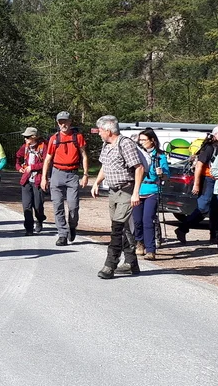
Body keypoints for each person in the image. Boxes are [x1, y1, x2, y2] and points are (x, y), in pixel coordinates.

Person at [90, 116, 144, 279]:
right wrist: (96, 183)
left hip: (126, 190)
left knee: (117, 228)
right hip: (113, 191)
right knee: (123, 228)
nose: (99, 133)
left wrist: (136, 192)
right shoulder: (106, 145)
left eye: (100, 130)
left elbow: (139, 168)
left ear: (108, 130)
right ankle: (131, 263)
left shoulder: (125, 144)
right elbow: (105, 167)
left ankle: (110, 265)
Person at [41, 111, 89, 246]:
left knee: (73, 206)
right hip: (57, 173)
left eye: (65, 121)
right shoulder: (54, 139)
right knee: (58, 205)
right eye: (60, 122)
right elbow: (48, 159)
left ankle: (72, 226)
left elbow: (84, 155)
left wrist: (85, 174)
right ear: (58, 123)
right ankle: (62, 234)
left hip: (72, 174)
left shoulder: (77, 137)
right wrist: (44, 178)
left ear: (70, 122)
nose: (63, 124)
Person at [176, 124, 218, 243]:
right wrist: (197, 184)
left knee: (216, 209)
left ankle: (213, 236)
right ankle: (182, 229)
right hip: (207, 180)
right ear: (216, 135)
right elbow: (199, 165)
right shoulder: (209, 147)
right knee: (202, 209)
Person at [132, 129, 167, 261]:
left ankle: (151, 250)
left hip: (152, 189)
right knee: (137, 220)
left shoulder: (160, 156)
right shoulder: (137, 154)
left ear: (152, 140)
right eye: (139, 140)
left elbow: (166, 176)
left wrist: (161, 174)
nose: (141, 143)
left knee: (148, 220)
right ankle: (139, 242)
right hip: (138, 189)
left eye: (143, 140)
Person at [16, 127, 47, 235]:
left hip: (38, 179)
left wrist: (32, 167)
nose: (25, 139)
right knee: (26, 206)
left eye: (27, 137)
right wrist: (19, 167)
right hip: (26, 180)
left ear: (34, 137)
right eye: (25, 137)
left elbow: (46, 163)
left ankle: (39, 219)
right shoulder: (25, 147)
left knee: (38, 205)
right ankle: (28, 228)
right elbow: (17, 158)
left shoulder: (44, 147)